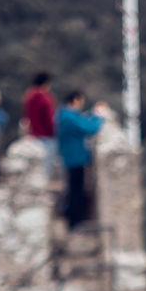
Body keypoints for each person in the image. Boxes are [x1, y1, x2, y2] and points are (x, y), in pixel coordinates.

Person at [56, 90, 108, 229]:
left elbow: (82, 119)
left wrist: (93, 113)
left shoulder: (64, 115)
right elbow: (90, 128)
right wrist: (99, 117)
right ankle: (75, 222)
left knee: (73, 189)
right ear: (76, 100)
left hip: (69, 156)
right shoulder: (69, 117)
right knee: (75, 190)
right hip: (75, 158)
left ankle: (73, 219)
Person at [22, 71, 58, 182]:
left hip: (33, 135)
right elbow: (49, 118)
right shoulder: (45, 97)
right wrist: (54, 131)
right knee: (46, 168)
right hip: (46, 136)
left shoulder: (28, 96)